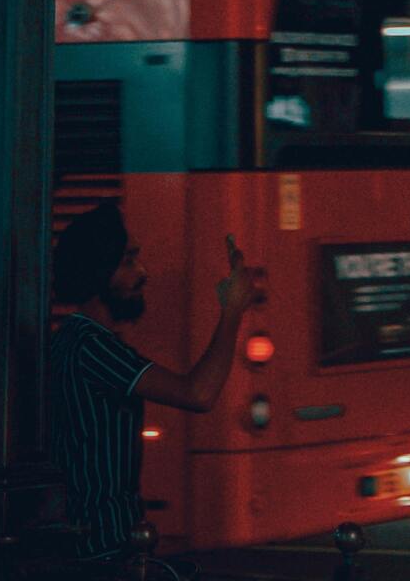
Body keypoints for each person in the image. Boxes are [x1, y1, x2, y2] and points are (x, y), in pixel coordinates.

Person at [46, 200, 257, 557]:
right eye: (128, 261)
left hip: (102, 540)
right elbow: (198, 393)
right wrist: (232, 309)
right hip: (103, 545)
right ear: (98, 272)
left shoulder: (80, 340)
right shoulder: (91, 347)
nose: (142, 272)